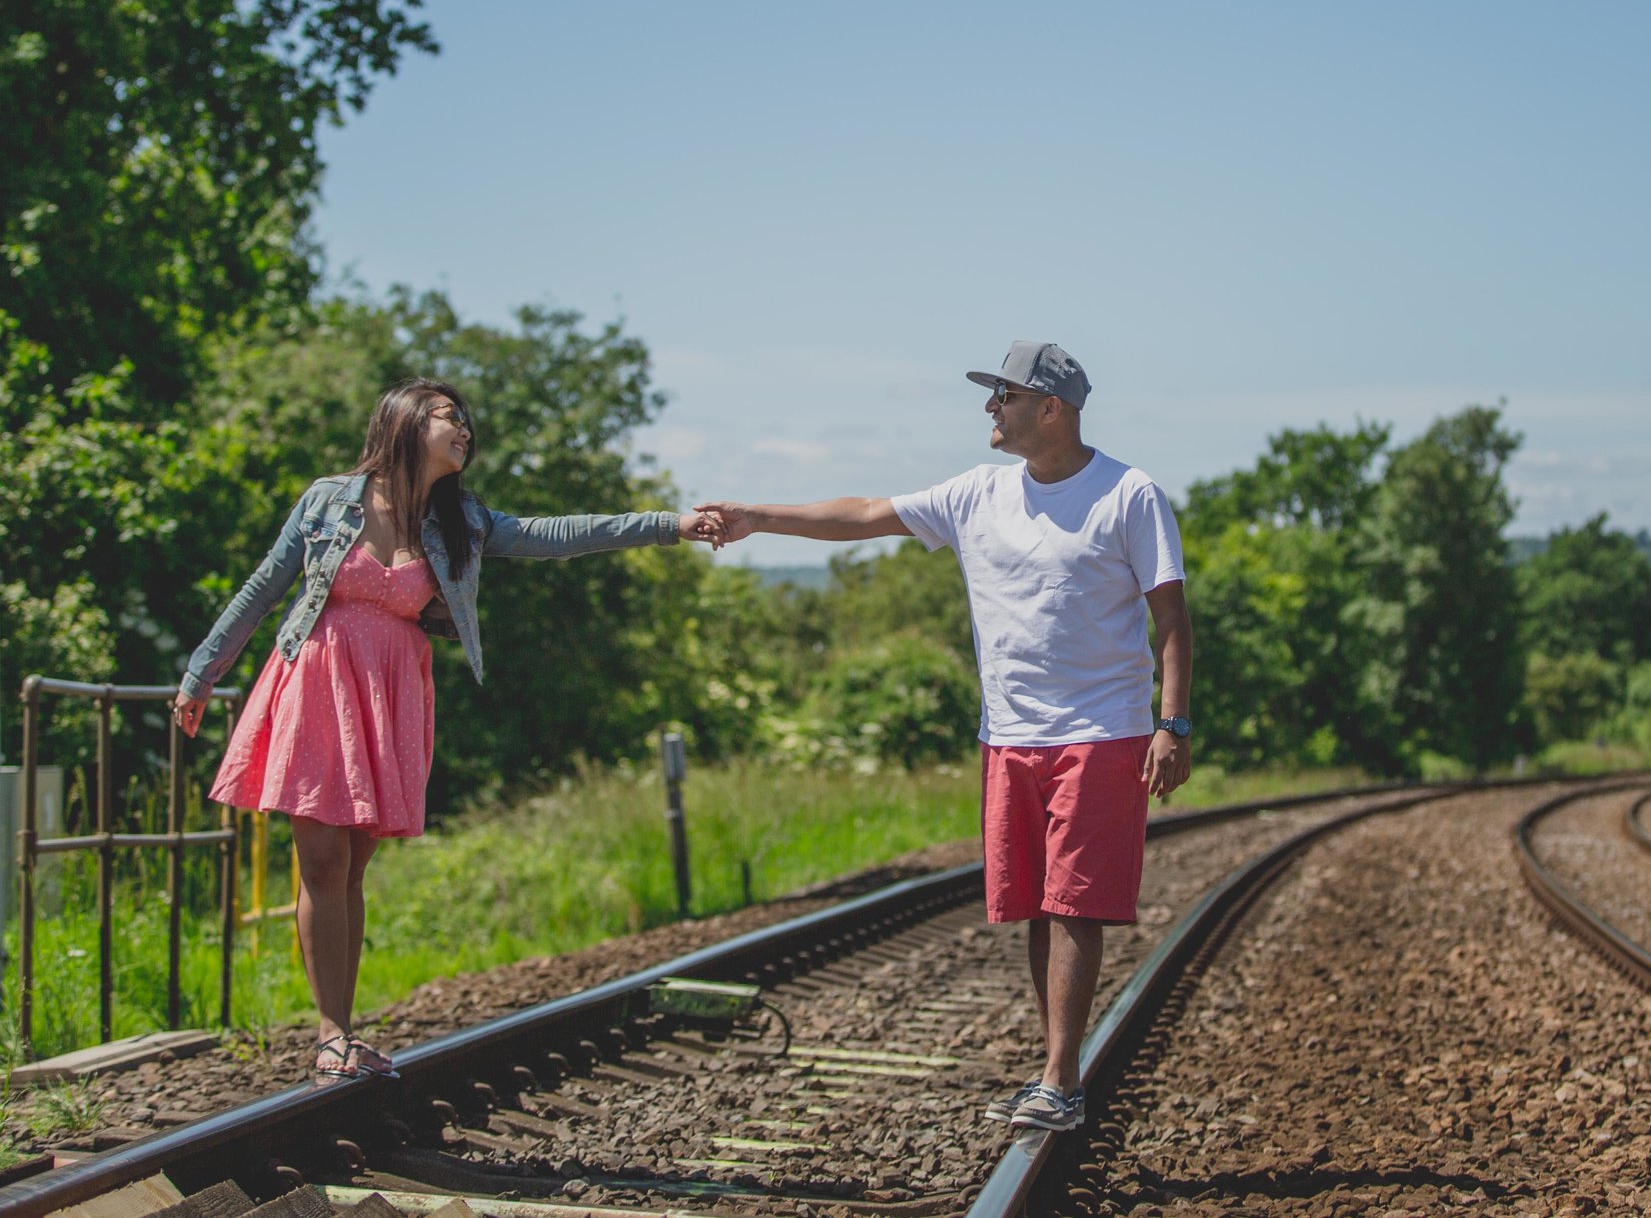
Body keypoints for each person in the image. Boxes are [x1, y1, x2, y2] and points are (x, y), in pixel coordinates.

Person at [695, 340, 1191, 1134]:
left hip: (1103, 729)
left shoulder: (1128, 494)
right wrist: (761, 518)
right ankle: (1053, 1069)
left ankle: (1060, 1079)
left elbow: (1171, 617)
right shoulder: (976, 494)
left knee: (1075, 904)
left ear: (1051, 407)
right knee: (1037, 902)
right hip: (1009, 734)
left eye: (1004, 394)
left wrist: (1172, 722)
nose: (990, 408)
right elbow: (865, 514)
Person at [174, 378, 717, 1082]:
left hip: (391, 689)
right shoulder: (328, 500)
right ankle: (331, 1033)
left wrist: (668, 523)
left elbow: (561, 536)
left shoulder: (461, 519)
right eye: (447, 417)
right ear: (404, 423)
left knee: (356, 867)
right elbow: (263, 587)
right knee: (323, 862)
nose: (463, 429)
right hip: (317, 680)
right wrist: (201, 672)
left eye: (465, 420)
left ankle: (343, 1027)